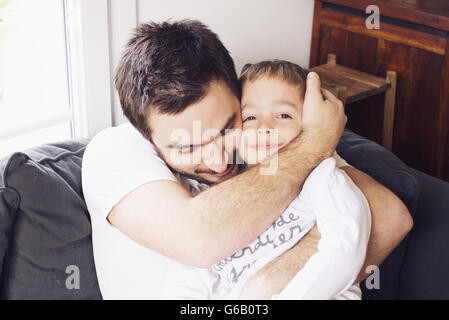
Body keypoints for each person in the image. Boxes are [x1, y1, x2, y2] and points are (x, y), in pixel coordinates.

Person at [81, 20, 413, 299]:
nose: (217, 159)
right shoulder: (114, 150)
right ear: (146, 136)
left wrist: (264, 287)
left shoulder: (266, 141)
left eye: (227, 127)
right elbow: (199, 241)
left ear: (238, 95)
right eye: (186, 147)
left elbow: (391, 218)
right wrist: (315, 141)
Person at [163, 60, 371, 300]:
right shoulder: (230, 189)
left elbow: (346, 247)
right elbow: (197, 271)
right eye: (250, 117)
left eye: (283, 115)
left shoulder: (323, 178)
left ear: (310, 124)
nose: (264, 127)